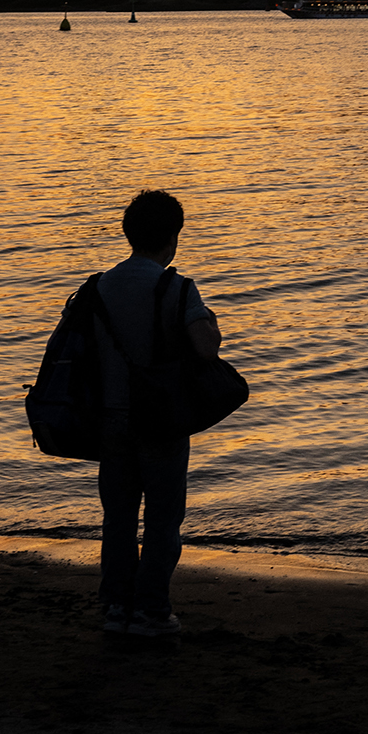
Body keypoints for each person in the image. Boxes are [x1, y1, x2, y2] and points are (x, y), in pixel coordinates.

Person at [91, 189, 220, 638]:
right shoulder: (177, 287)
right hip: (161, 420)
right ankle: (152, 611)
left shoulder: (99, 287)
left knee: (119, 516)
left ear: (128, 235)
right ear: (172, 237)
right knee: (163, 518)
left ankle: (115, 609)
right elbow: (205, 349)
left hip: (110, 419)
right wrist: (212, 323)